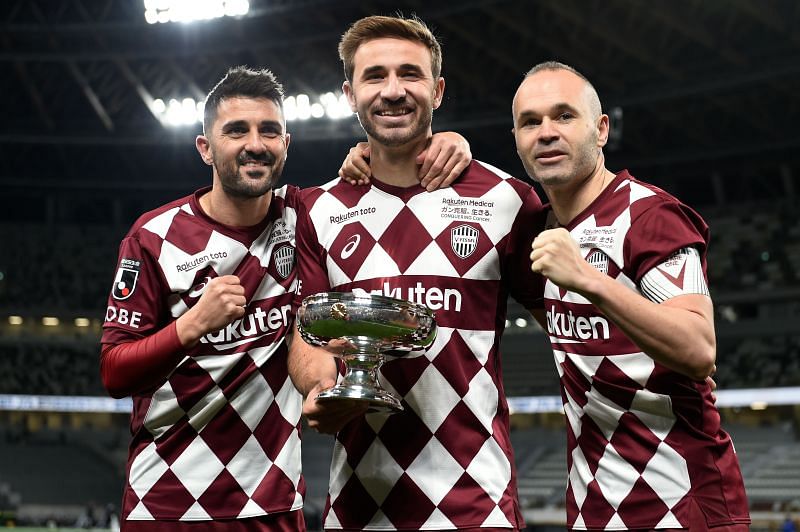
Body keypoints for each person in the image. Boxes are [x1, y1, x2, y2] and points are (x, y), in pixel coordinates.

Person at [100, 66, 470, 531]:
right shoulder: (154, 237)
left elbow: (380, 166)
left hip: (273, 505)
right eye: (236, 131)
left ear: (286, 145)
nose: (255, 144)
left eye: (269, 131)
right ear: (205, 149)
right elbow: (114, 371)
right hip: (169, 503)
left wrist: (449, 141)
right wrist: (191, 325)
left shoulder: (306, 216)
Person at [288, 15, 544, 531]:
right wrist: (320, 389)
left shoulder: (506, 200)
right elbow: (307, 330)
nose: (393, 91)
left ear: (439, 89)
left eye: (411, 74)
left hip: (476, 505)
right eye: (374, 76)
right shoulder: (316, 210)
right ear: (349, 93)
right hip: (360, 504)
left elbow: (564, 318)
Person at [512, 61, 751, 530]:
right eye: (530, 121)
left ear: (601, 129)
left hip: (682, 502)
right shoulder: (535, 230)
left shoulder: (649, 216)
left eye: (564, 116)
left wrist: (591, 280)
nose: (545, 133)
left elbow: (699, 348)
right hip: (591, 509)